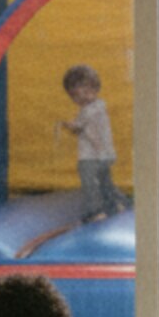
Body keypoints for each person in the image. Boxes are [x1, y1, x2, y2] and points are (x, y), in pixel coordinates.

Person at [58, 64, 123, 223]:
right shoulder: (99, 106)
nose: (82, 99)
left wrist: (68, 125)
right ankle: (114, 206)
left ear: (95, 88)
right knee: (105, 182)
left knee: (90, 184)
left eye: (87, 92)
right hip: (104, 154)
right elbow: (83, 129)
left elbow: (80, 126)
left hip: (91, 156)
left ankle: (96, 211)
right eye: (76, 97)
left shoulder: (90, 110)